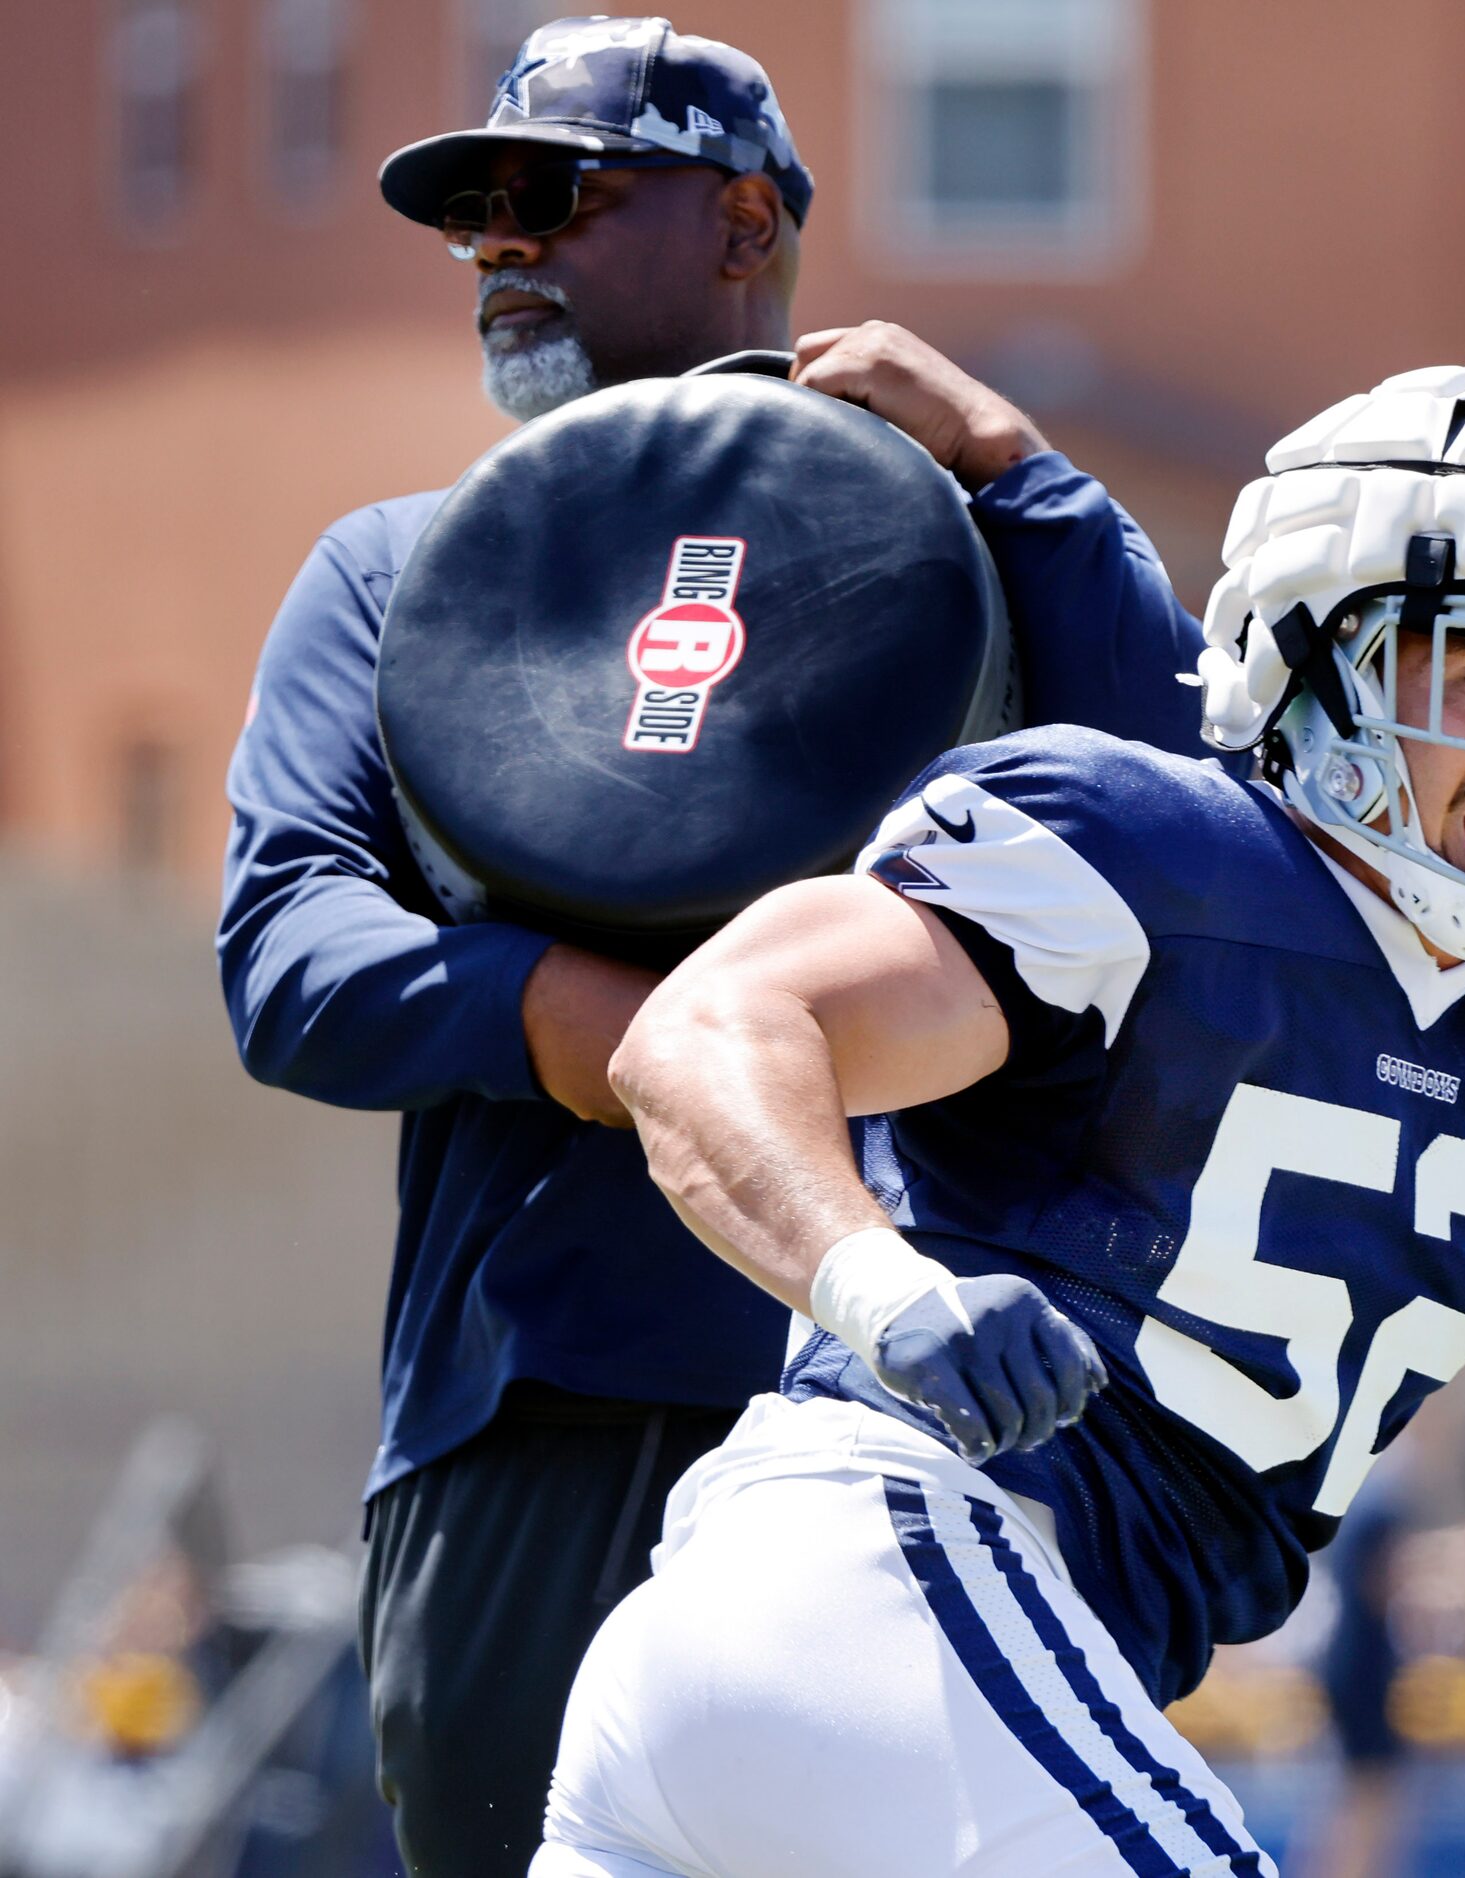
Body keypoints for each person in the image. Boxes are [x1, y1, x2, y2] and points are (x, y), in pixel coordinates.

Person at [535, 366, 1465, 1876]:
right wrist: (881, 1281)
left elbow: (1432, 1188)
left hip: (870, 1684)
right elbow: (708, 1032)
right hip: (889, 1586)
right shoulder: (1153, 853)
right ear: (1318, 657)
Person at [217, 17, 1215, 1874]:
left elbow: (1196, 818)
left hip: (923, 1434)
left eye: (554, 200)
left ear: (744, 219)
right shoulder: (395, 568)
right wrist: (671, 1048)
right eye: (475, 220)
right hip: (537, 1416)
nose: (499, 249)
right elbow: (289, 952)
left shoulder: (971, 548)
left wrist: (1016, 464)